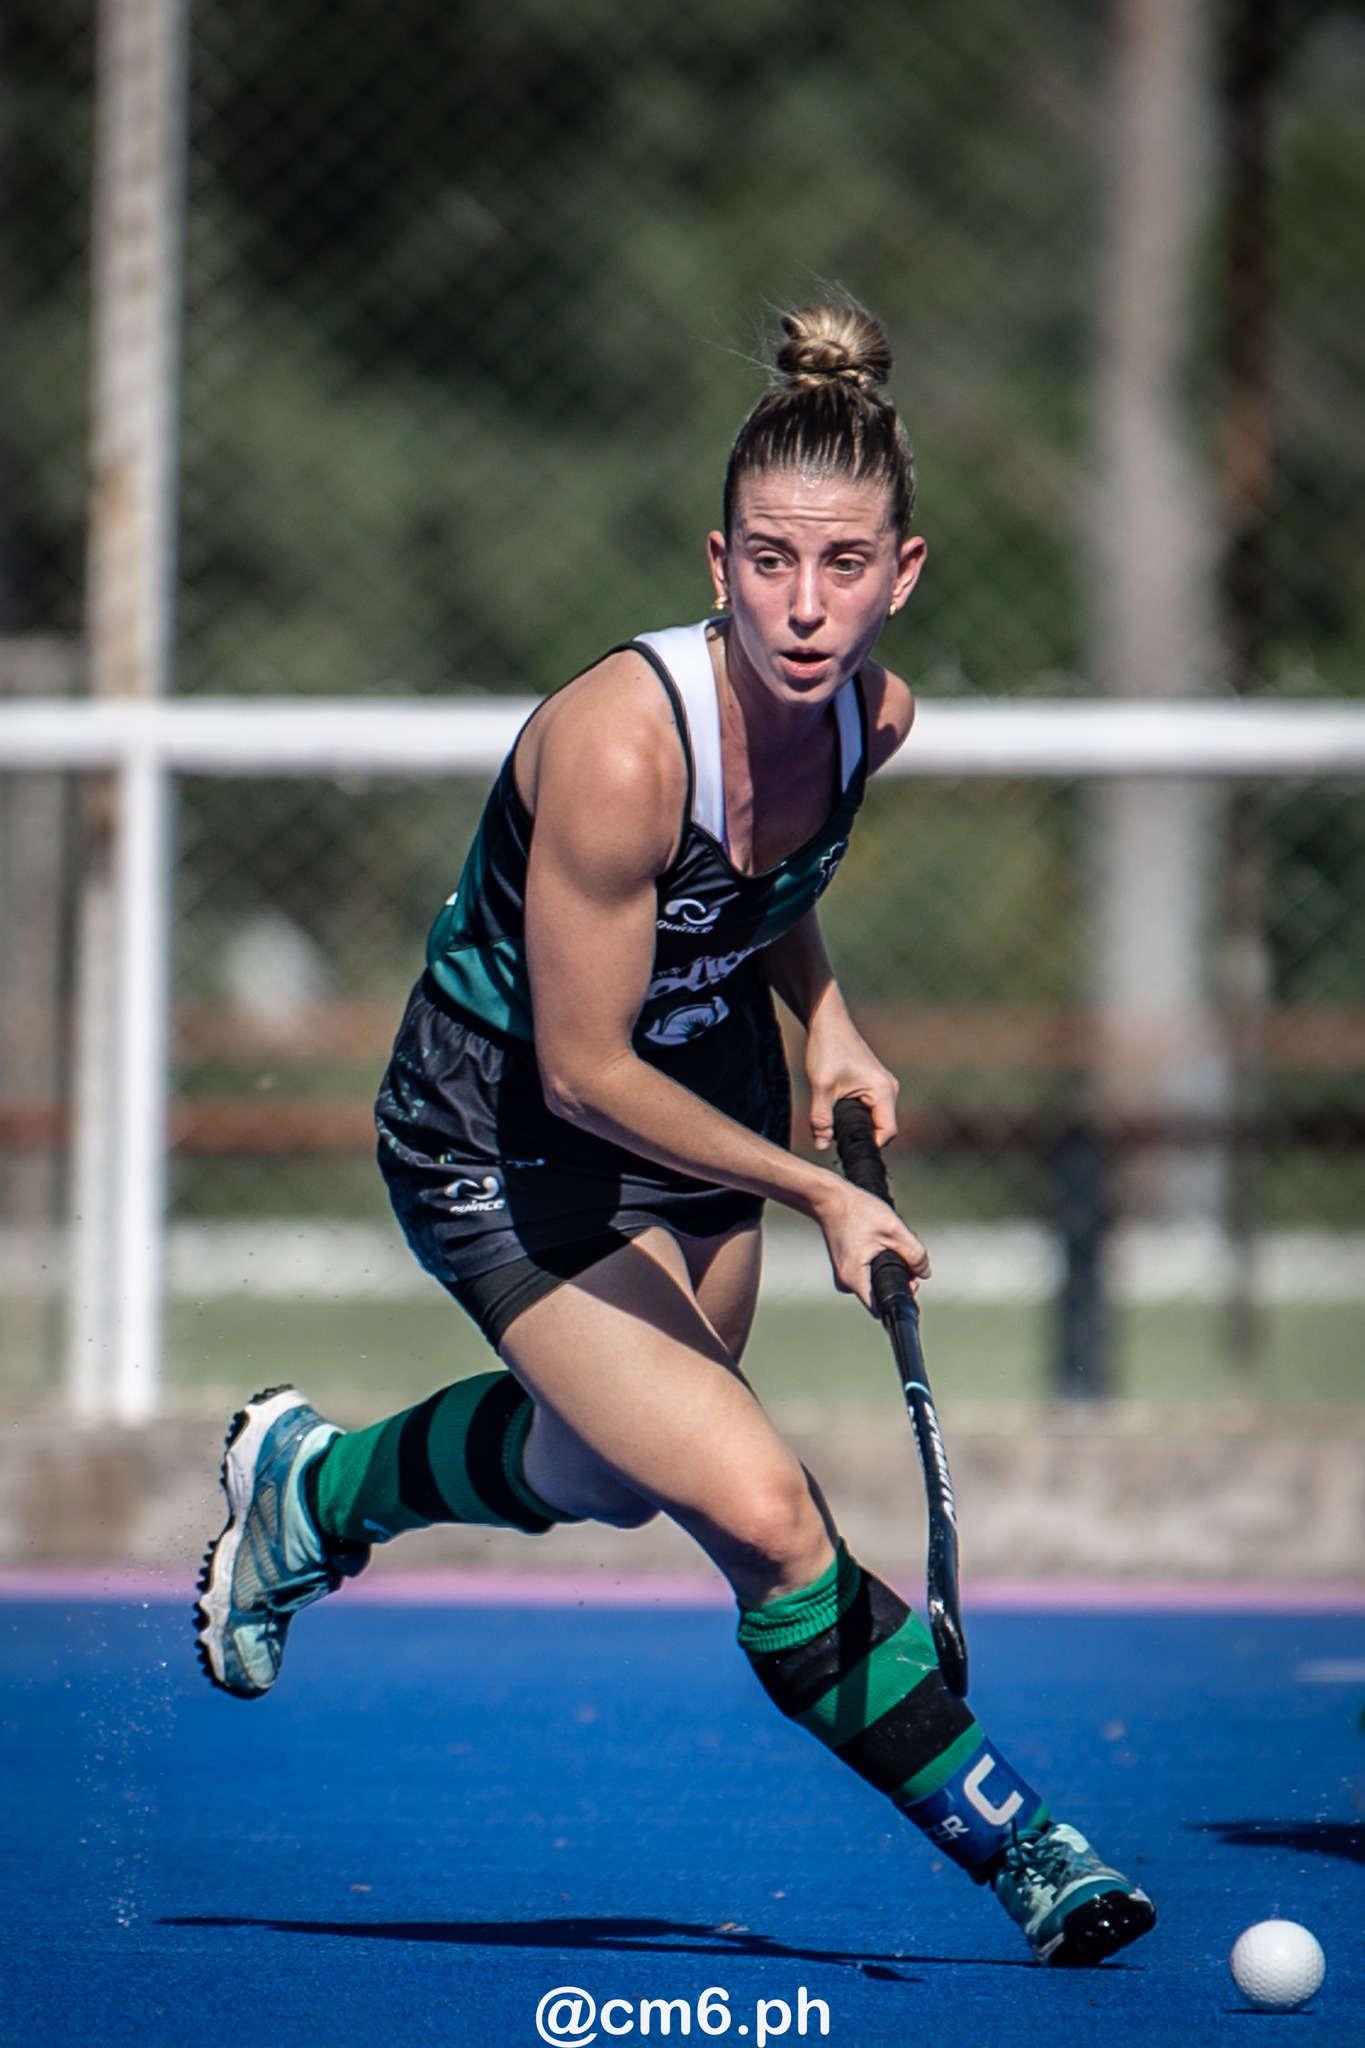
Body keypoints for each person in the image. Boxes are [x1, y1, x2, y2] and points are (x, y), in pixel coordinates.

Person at [195, 301, 1155, 1967]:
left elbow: (767, 881)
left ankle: (315, 1487)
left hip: (700, 1101)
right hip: (506, 1126)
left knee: (609, 1473)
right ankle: (1026, 1849)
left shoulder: (871, 717)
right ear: (719, 561)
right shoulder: (620, 746)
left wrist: (825, 1016)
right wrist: (815, 1192)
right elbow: (579, 1068)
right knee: (760, 1512)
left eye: (842, 565)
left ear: (902, 572)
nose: (805, 605)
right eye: (770, 562)